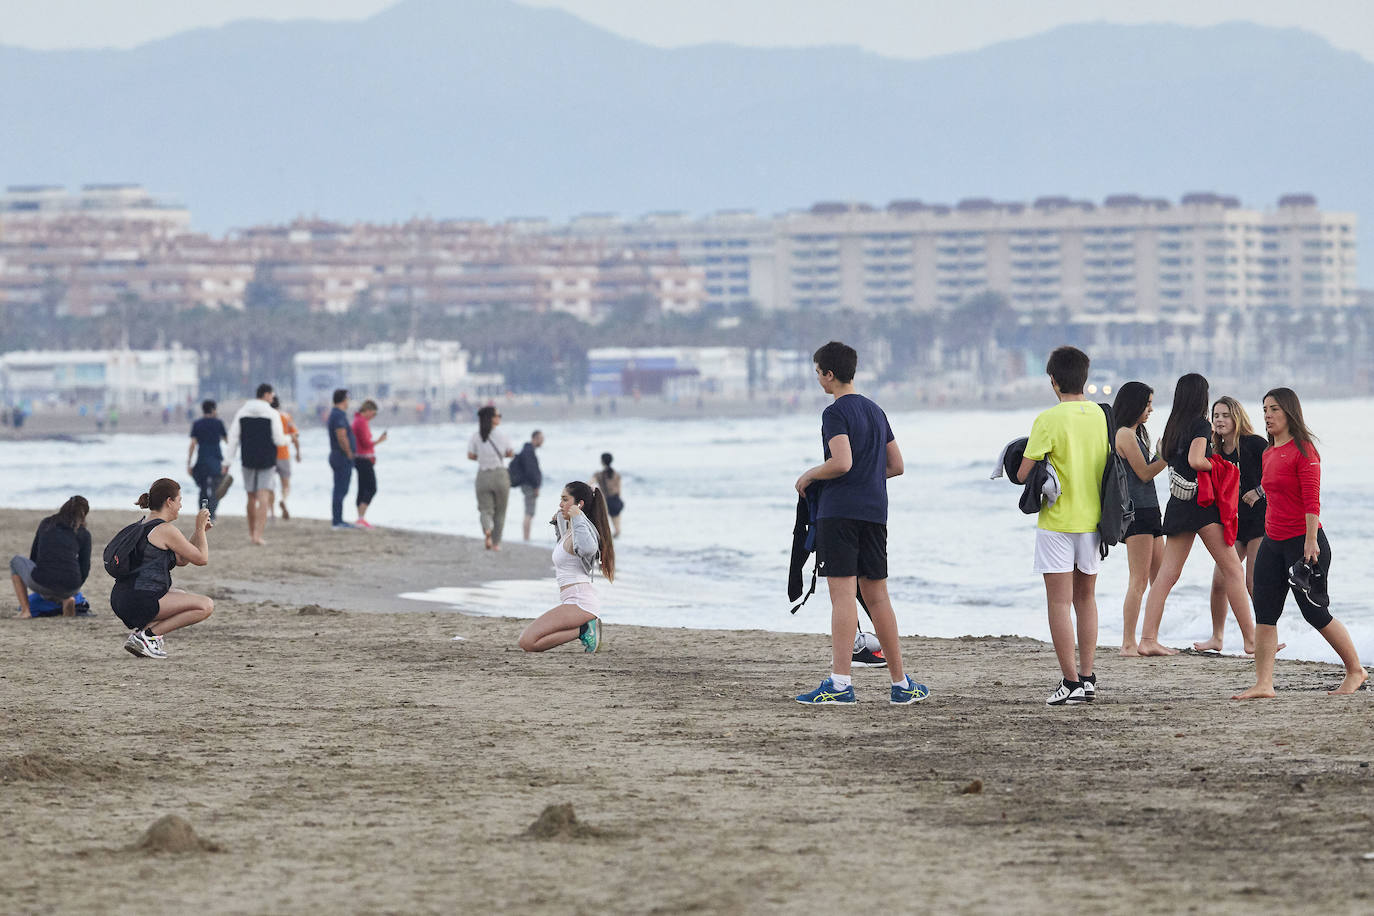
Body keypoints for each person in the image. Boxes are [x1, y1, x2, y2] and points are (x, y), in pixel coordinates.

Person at [792, 340, 927, 706]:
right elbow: (896, 465)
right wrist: (869, 477)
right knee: (878, 596)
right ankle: (901, 684)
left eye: (818, 373)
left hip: (840, 513)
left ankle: (839, 684)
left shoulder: (835, 413)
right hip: (874, 512)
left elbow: (842, 462)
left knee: (842, 597)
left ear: (829, 374)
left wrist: (808, 475)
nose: (818, 379)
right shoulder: (875, 410)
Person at [1234, 388, 1366, 698]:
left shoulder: (1304, 450)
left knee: (1315, 613)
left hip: (1304, 542)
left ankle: (1356, 670)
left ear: (1290, 413)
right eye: (1265, 409)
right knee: (1264, 612)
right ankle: (1264, 684)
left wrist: (1310, 542)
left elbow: (1311, 501)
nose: (1267, 414)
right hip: (1272, 541)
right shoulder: (1269, 452)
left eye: (1274, 409)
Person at [1014, 346, 1109, 705]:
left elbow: (1024, 472)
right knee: (1087, 599)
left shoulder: (1048, 419)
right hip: (1094, 521)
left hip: (1056, 522)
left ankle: (1068, 681)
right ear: (1085, 379)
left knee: (1059, 601)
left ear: (1053, 381)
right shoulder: (1101, 417)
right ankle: (1087, 679)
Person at [1138, 374, 1255, 656]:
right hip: (1201, 505)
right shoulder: (1201, 424)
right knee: (1233, 570)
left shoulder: (1173, 424)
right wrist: (1220, 465)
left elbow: (1170, 457)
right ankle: (1252, 641)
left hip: (1178, 503)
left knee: (1167, 574)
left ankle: (1147, 639)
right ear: (1201, 396)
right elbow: (1195, 461)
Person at [1195, 396, 1269, 654]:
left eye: (1225, 415)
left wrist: (1258, 491)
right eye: (1216, 415)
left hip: (1260, 522)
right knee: (1220, 582)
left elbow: (1277, 475)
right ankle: (1217, 637)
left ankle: (1263, 638)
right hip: (1233, 524)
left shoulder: (1255, 444)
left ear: (1236, 417)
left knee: (1252, 583)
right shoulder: (1213, 450)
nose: (1220, 420)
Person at [110, 478, 214, 659]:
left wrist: (200, 532)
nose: (180, 506)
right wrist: (198, 527)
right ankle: (147, 636)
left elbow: (182, 559)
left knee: (181, 595)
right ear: (169, 501)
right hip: (139, 600)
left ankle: (143, 637)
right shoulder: (165, 529)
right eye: (179, 500)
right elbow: (202, 559)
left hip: (122, 597)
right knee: (205, 606)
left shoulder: (143, 524)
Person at [517, 481, 616, 653]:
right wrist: (564, 519)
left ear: (579, 505)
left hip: (580, 602)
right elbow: (566, 522)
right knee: (528, 642)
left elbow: (588, 548)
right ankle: (584, 628)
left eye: (564, 499)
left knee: (527, 642)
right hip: (572, 600)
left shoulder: (582, 529)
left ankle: (584, 629)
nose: (560, 504)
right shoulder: (571, 529)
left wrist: (578, 516)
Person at [1111, 382, 1168, 656]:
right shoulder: (1123, 434)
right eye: (1147, 404)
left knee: (1162, 578)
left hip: (1151, 510)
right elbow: (1144, 473)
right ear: (1134, 405)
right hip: (1136, 513)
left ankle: (1150, 638)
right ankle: (1128, 643)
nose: (1151, 409)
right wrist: (1164, 456)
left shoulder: (1137, 433)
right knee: (1139, 580)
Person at [224, 382, 288, 545]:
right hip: (267, 459)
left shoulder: (242, 412)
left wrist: (227, 461)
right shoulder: (272, 414)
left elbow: (233, 439)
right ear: (266, 395)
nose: (273, 398)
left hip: (248, 458)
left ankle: (251, 532)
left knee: (251, 497)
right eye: (272, 395)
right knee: (263, 496)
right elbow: (279, 440)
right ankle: (258, 536)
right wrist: (291, 438)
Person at [10, 496, 91, 618]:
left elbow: (34, 556)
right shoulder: (84, 533)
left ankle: (26, 611)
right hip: (72, 586)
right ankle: (66, 599)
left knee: (15, 562)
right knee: (60, 586)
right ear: (83, 515)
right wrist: (76, 586)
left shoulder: (46, 523)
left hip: (43, 581)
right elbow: (85, 567)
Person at [467, 405, 514, 550]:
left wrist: (483, 458)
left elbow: (470, 455)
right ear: (491, 418)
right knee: (500, 511)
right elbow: (510, 453)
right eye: (497, 415)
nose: (499, 418)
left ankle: (487, 529)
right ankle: (496, 543)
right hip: (500, 475)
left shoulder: (476, 436)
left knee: (485, 509)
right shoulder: (502, 435)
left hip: (483, 475)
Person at [187, 400, 227, 521]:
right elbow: (227, 441)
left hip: (202, 461)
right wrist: (227, 462)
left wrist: (189, 463)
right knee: (216, 490)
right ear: (214, 409)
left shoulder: (197, 424)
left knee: (203, 489)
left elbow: (193, 444)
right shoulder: (219, 423)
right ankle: (212, 515)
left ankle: (203, 515)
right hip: (216, 461)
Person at [352, 399, 388, 528]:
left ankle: (360, 517)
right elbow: (366, 444)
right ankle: (361, 516)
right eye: (373, 414)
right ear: (366, 411)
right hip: (363, 459)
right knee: (371, 487)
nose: (373, 417)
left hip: (360, 459)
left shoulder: (358, 421)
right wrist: (379, 441)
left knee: (362, 487)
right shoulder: (361, 422)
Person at [327, 388, 358, 530]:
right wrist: (349, 452)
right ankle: (337, 521)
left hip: (338, 455)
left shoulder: (336, 414)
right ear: (344, 400)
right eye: (348, 399)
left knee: (340, 488)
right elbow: (341, 435)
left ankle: (338, 519)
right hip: (341, 456)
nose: (349, 402)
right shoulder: (338, 415)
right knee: (340, 489)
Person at [510, 430, 545, 541]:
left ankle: (526, 537)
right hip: (529, 485)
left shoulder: (527, 450)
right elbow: (531, 471)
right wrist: (536, 486)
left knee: (529, 512)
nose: (542, 441)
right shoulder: (529, 451)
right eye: (541, 438)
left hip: (527, 484)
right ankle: (526, 538)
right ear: (535, 438)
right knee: (529, 512)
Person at [270, 395, 301, 520]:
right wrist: (298, 452)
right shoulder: (286, 416)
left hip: (269, 455)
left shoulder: (268, 417)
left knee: (269, 485)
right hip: (283, 454)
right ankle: (283, 499)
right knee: (286, 484)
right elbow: (295, 435)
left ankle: (272, 513)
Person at [593, 452, 624, 538]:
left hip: (606, 502)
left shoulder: (599, 474)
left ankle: (608, 544)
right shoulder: (616, 474)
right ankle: (618, 546)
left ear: (602, 461)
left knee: (601, 525)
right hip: (617, 501)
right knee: (617, 530)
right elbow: (619, 490)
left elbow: (589, 484)